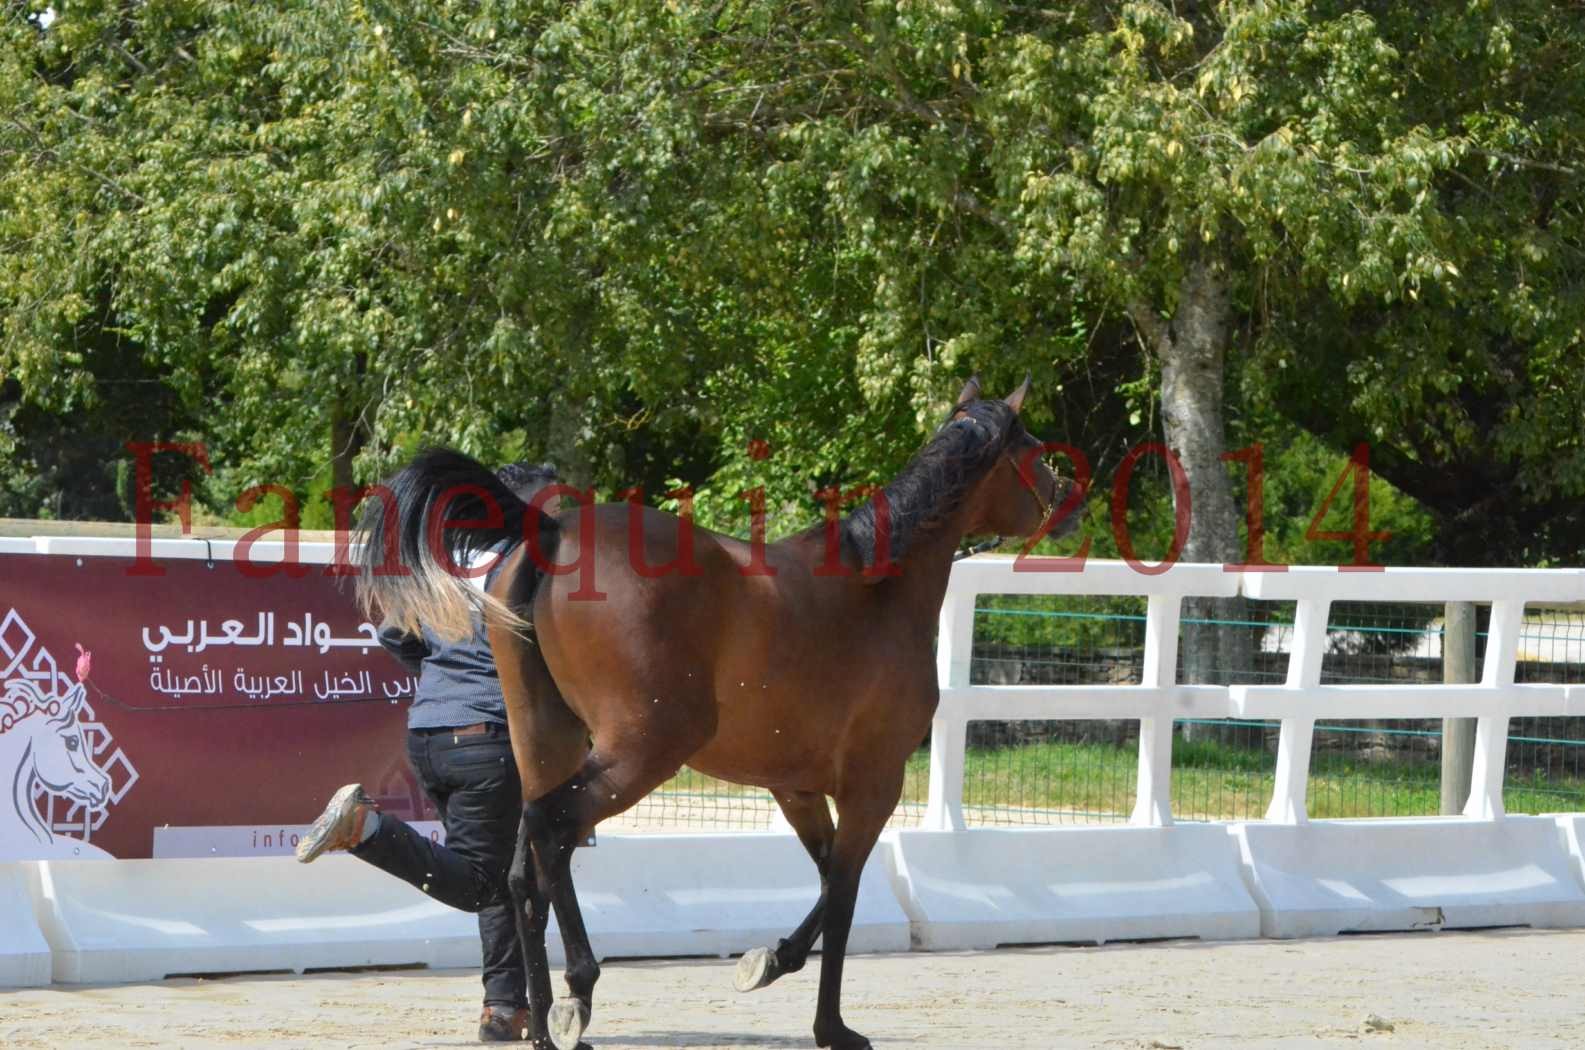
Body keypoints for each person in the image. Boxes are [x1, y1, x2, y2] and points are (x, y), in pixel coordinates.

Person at [297, 461, 558, 1043]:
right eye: (550, 501)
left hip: (430, 738)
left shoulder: (447, 565)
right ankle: (364, 828)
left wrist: (444, 682)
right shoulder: (529, 562)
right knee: (484, 884)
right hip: (489, 740)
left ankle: (504, 1006)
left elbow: (393, 633)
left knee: (498, 870)